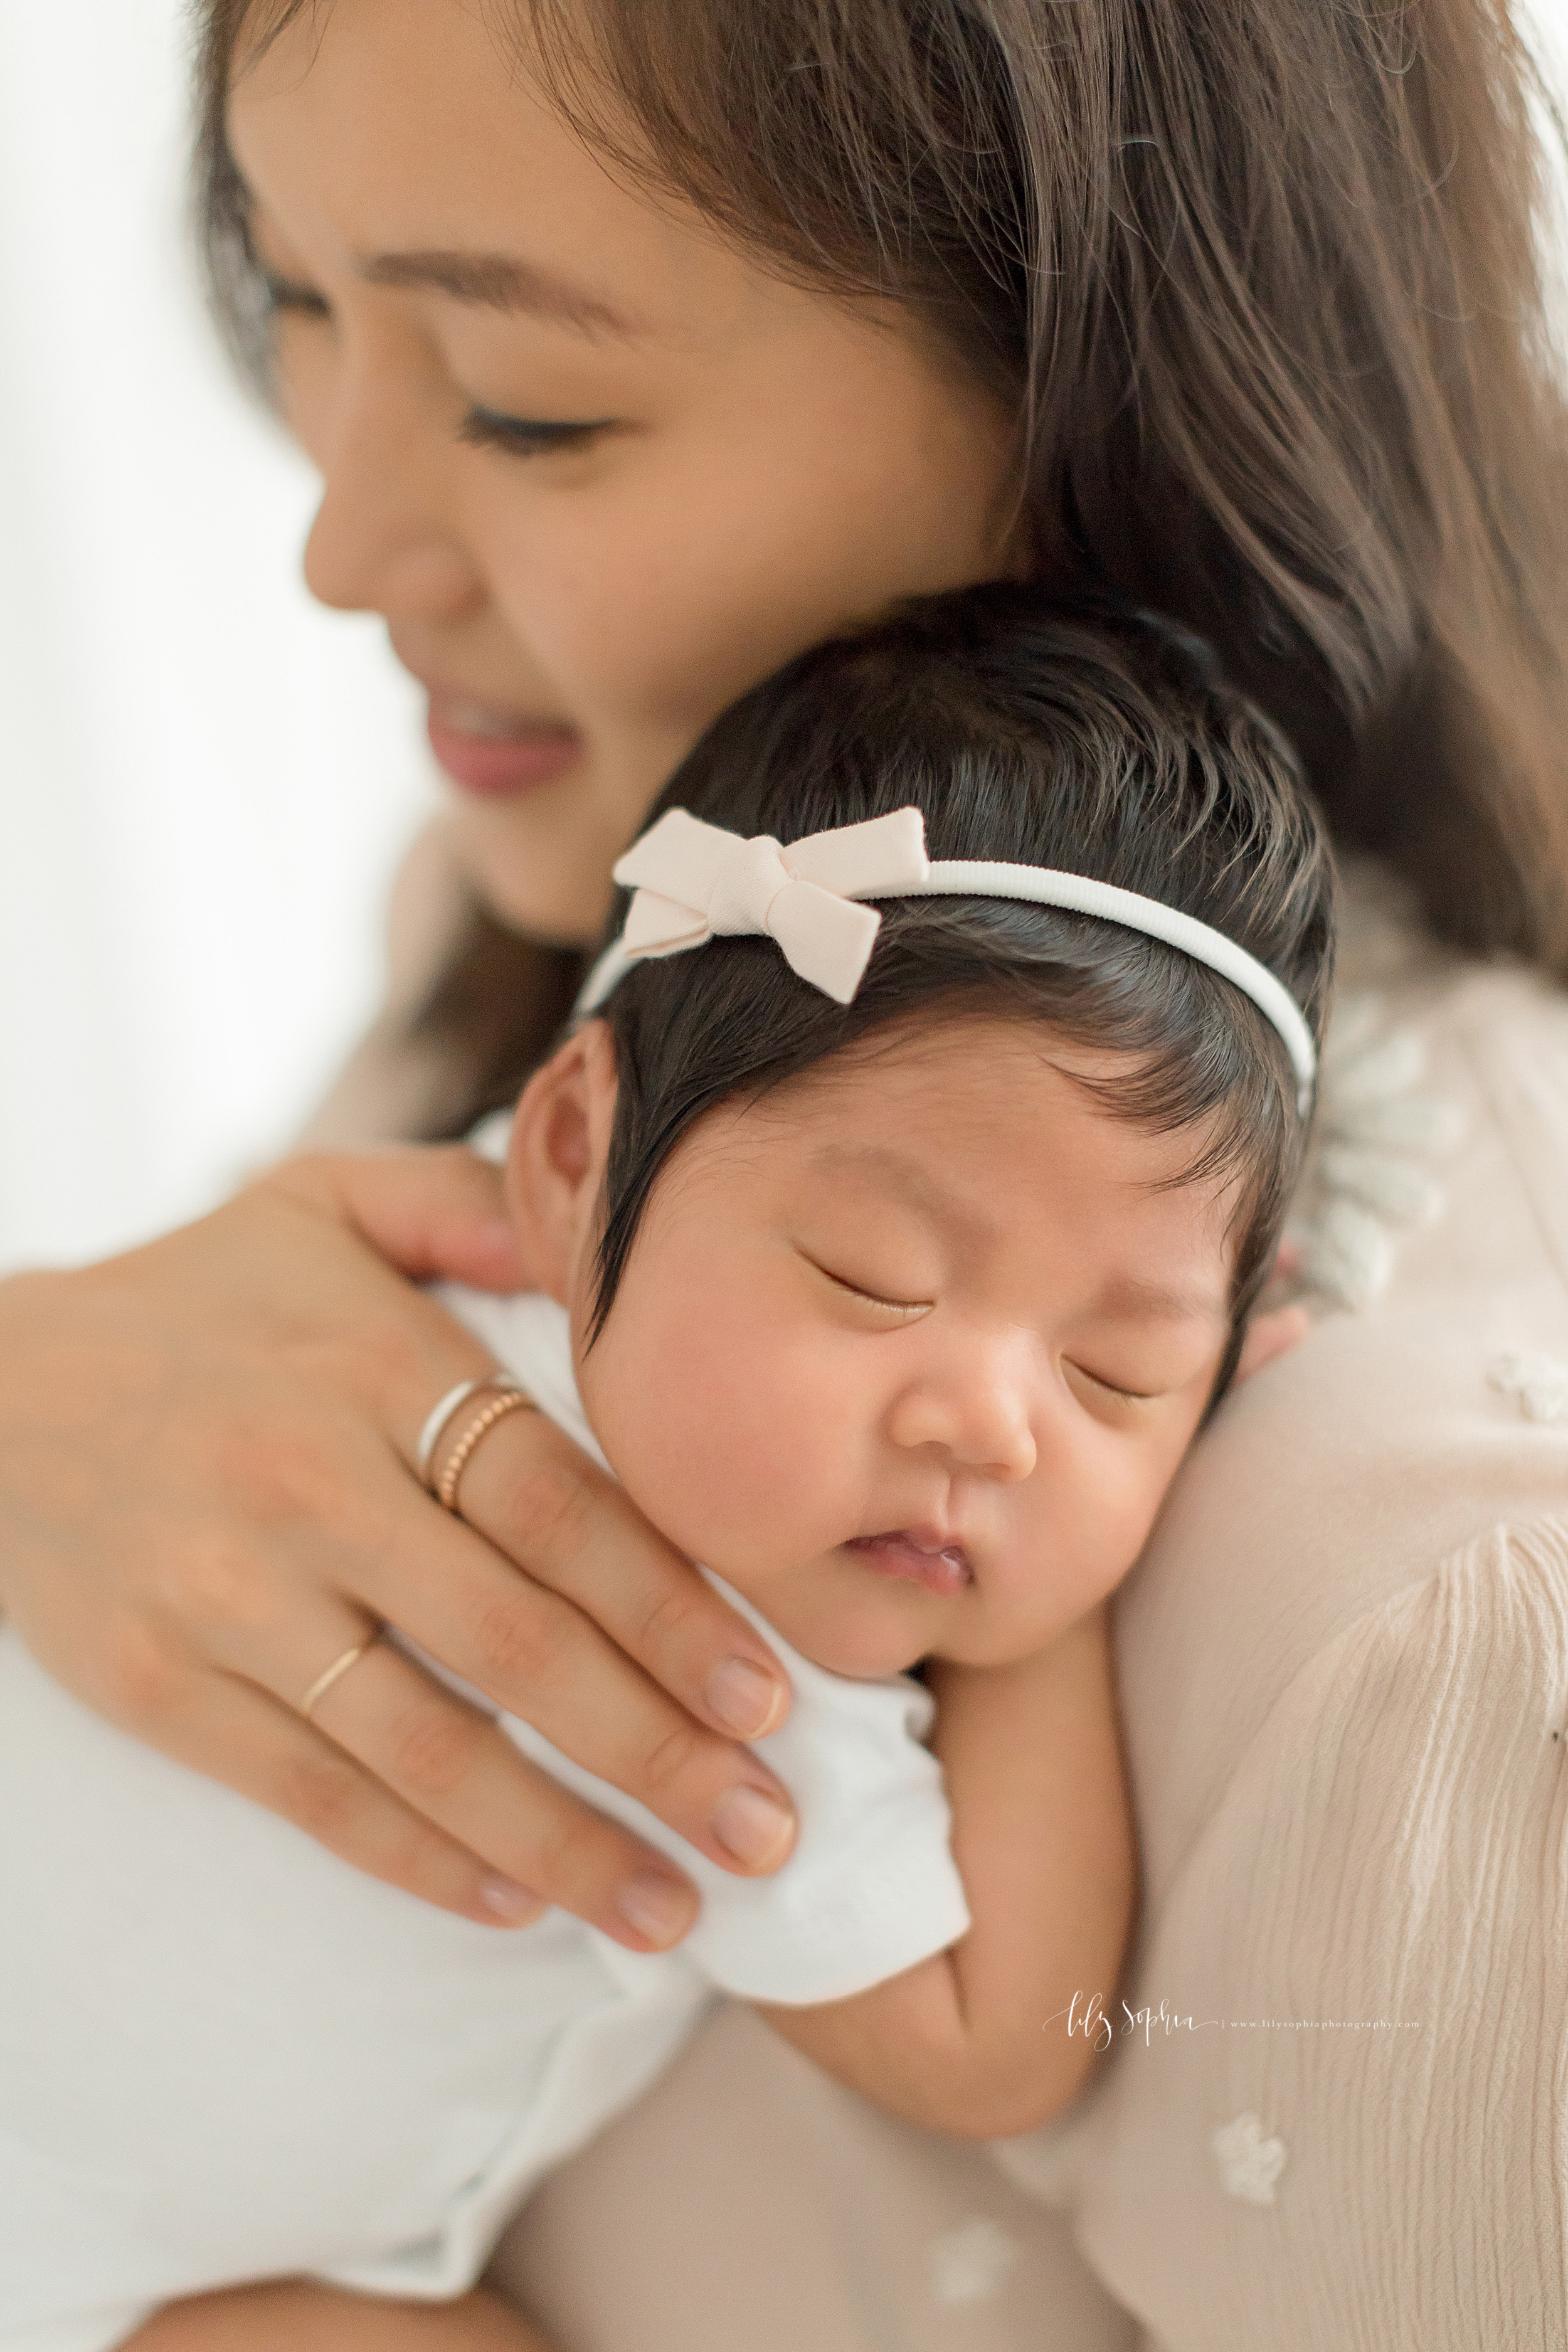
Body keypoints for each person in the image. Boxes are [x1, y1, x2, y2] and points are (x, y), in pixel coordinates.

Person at [0, 2, 1564, 2344]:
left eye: (532, 401)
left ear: (1095, 400)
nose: (335, 542)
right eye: (302, 302)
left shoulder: (1439, 1615)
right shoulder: (550, 934)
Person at [0, 591, 1334, 2352]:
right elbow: (992, 2045)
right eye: (869, 1277)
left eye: (1116, 1369)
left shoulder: (387, 1256)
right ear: (564, 1152)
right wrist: (1037, 1619)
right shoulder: (736, 1659)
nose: (988, 1426)